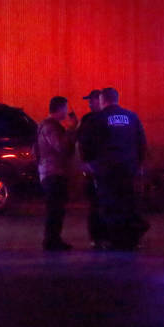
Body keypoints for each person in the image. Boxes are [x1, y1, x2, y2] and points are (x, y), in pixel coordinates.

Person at [82, 87, 148, 250]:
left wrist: (89, 164)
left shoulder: (97, 119)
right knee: (128, 203)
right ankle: (130, 240)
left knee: (108, 204)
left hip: (106, 170)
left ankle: (113, 240)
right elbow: (142, 142)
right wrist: (139, 164)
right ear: (118, 99)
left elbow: (87, 143)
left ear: (103, 100)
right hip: (128, 169)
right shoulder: (132, 117)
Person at [37, 95, 77, 251]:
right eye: (66, 108)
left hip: (48, 171)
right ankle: (52, 241)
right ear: (60, 108)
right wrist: (72, 130)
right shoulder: (51, 127)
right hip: (54, 172)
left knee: (55, 208)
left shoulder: (43, 126)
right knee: (56, 209)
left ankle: (53, 239)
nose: (67, 112)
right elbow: (62, 147)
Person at [76, 89, 105, 248]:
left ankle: (100, 236)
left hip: (99, 166)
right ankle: (96, 237)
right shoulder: (88, 119)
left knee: (99, 204)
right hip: (94, 167)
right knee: (95, 204)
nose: (89, 103)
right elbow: (80, 141)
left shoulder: (100, 118)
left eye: (92, 100)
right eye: (89, 100)